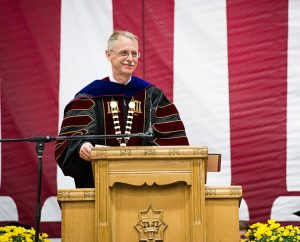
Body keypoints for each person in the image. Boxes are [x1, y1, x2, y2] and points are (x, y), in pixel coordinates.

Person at [55, 30, 189, 188]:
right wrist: (80, 145)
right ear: (108, 55)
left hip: (146, 186)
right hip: (100, 186)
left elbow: (172, 139)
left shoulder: (152, 95)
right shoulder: (90, 96)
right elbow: (71, 139)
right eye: (124, 53)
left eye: (134, 53)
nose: (130, 59)